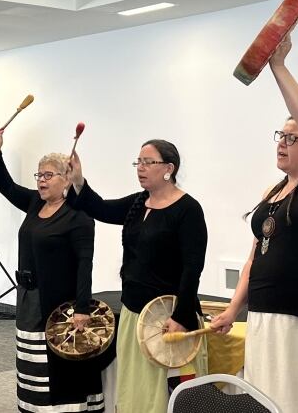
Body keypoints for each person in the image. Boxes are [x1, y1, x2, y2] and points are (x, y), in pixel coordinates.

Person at [210, 36, 298, 411]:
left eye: (294, 137)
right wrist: (233, 308)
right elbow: (254, 257)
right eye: (281, 136)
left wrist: (279, 66)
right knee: (267, 403)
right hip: (264, 318)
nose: (283, 142)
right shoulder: (272, 190)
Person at [67, 139, 208, 413]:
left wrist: (180, 316)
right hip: (135, 313)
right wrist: (79, 180)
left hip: (169, 318)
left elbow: (193, 268)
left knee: (172, 393)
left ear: (169, 168)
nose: (140, 168)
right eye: (138, 162)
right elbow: (100, 208)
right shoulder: (138, 203)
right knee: (137, 390)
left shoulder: (188, 209)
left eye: (148, 162)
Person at [0, 129, 104, 413]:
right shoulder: (35, 203)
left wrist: (83, 307)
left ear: (66, 180)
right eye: (39, 175)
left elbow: (84, 265)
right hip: (28, 299)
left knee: (58, 371)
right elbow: (7, 187)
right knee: (31, 367)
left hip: (59, 304)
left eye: (48, 175)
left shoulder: (79, 216)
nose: (41, 181)